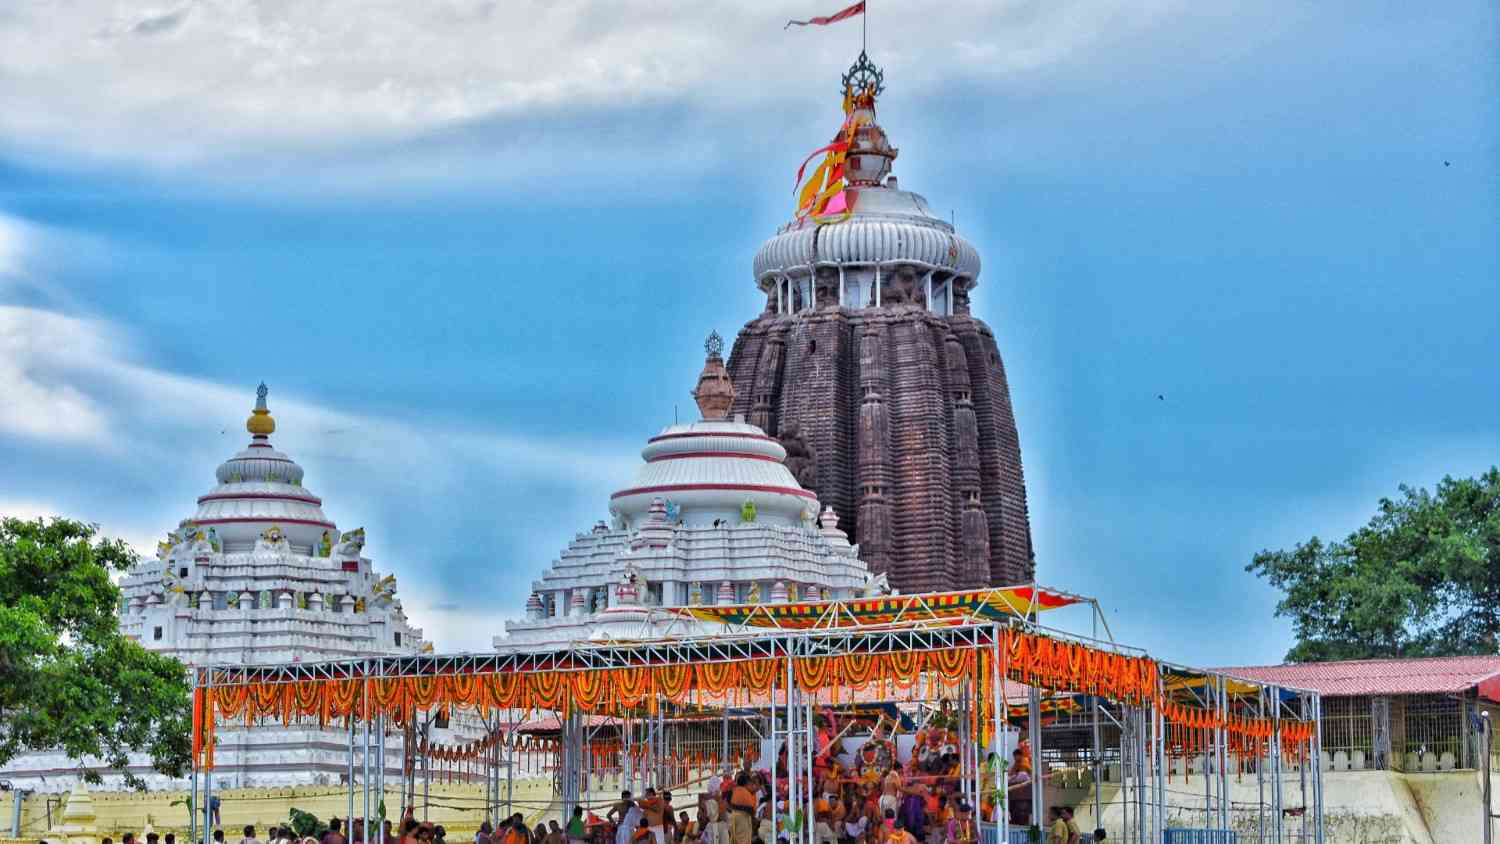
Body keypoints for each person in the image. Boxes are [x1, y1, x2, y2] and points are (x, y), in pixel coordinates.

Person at [728, 774, 756, 844]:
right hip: (743, 819)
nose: (751, 786)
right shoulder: (746, 793)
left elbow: (731, 803)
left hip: (733, 816)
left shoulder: (735, 790)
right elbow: (751, 810)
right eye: (750, 784)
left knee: (734, 840)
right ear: (746, 783)